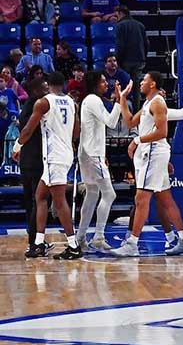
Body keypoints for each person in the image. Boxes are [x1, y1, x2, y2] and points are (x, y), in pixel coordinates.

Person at [13, 72, 81, 259]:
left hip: (54, 156)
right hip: (65, 153)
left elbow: (27, 129)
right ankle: (38, 243)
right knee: (40, 196)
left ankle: (74, 245)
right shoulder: (72, 102)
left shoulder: (43, 102)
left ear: (48, 84)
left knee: (59, 201)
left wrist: (17, 146)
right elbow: (76, 133)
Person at [75, 72, 129, 252]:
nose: (107, 84)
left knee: (92, 194)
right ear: (95, 84)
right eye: (103, 81)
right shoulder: (93, 100)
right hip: (92, 154)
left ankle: (80, 238)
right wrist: (119, 100)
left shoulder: (89, 100)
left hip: (87, 153)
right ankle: (98, 236)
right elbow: (112, 122)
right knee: (109, 194)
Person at [16, 77, 46, 256]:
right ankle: (35, 242)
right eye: (44, 87)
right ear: (36, 90)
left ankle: (34, 240)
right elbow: (28, 131)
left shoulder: (28, 104)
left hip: (27, 160)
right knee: (38, 201)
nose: (47, 90)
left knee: (31, 202)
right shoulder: (37, 105)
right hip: (35, 160)